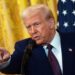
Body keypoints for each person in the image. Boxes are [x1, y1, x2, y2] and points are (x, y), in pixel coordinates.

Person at [0, 4, 75, 75]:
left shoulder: (72, 39)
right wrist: (5, 60)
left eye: (36, 24)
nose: (33, 31)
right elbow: (12, 66)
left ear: (51, 23)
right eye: (28, 27)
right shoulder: (25, 47)